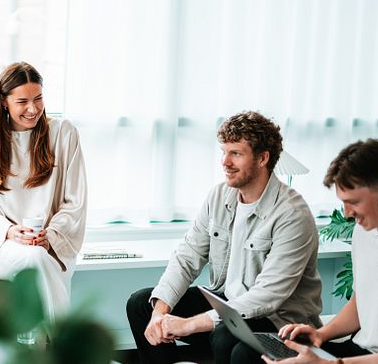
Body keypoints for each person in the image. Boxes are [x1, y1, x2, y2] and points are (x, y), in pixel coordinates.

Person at [126, 111, 323, 364]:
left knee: (224, 335)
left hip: (278, 321)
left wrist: (190, 325)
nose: (225, 162)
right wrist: (159, 314)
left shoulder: (292, 214)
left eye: (236, 154)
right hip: (227, 304)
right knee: (142, 304)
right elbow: (187, 256)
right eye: (224, 152)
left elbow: (268, 295)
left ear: (263, 158)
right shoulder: (219, 196)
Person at [257, 139, 378, 364]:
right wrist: (320, 334)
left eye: (353, 202)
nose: (347, 214)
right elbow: (360, 303)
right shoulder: (365, 231)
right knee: (249, 352)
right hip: (357, 349)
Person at [0, 61, 87, 318]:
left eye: (39, 98)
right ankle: (61, 343)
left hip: (53, 243)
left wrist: (51, 235)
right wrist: (11, 231)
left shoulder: (63, 134)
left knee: (39, 257)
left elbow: (75, 202)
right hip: (2, 245)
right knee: (35, 258)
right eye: (22, 102)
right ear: (4, 102)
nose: (33, 109)